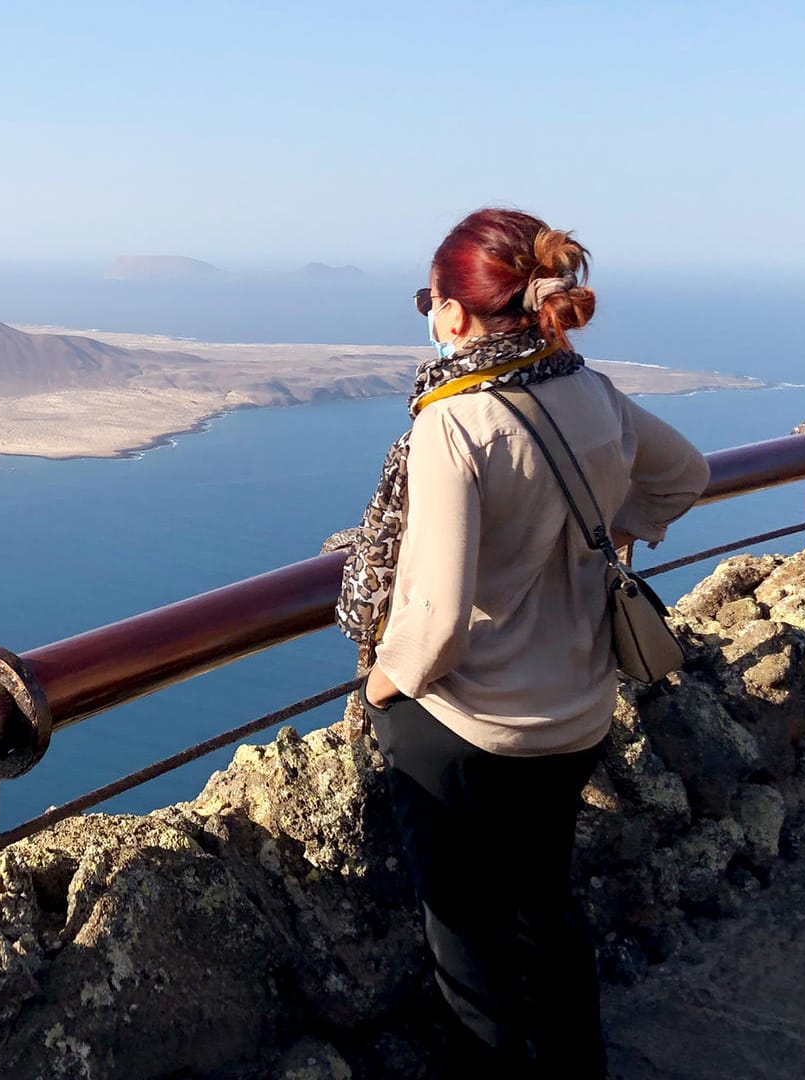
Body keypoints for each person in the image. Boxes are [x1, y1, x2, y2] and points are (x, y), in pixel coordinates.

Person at [336, 208, 709, 1076]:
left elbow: (429, 621)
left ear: (454, 313)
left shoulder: (454, 422)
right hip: (576, 707)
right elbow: (685, 475)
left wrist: (382, 688)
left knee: (465, 937)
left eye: (429, 301)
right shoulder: (588, 389)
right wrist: (605, 536)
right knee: (545, 905)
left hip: (472, 725)